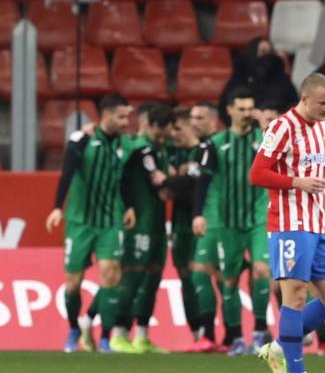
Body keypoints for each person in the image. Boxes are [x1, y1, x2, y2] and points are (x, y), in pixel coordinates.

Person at [250, 74, 325, 373]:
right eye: (322, 103)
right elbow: (257, 174)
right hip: (289, 224)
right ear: (304, 99)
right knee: (296, 295)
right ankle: (295, 369)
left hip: (319, 223)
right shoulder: (282, 127)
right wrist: (296, 181)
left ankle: (277, 347)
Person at [50, 94, 137, 353]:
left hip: (111, 220)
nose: (125, 121)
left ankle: (104, 337)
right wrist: (57, 207)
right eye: (121, 116)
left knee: (111, 274)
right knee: (73, 282)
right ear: (107, 115)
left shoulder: (127, 144)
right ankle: (74, 327)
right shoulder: (82, 140)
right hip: (80, 221)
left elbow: (125, 178)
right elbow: (67, 172)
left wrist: (129, 204)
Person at [190, 89, 272, 355]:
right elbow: (203, 180)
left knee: (261, 270)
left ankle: (260, 331)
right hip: (227, 222)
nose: (247, 113)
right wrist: (198, 213)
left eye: (251, 108)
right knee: (229, 280)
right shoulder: (216, 144)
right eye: (242, 108)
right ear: (230, 110)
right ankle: (236, 337)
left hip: (259, 219)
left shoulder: (266, 140)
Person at [107, 103, 173, 354]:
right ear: (151, 126)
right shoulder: (139, 150)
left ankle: (142, 335)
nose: (163, 136)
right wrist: (128, 206)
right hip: (140, 223)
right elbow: (120, 179)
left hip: (157, 223)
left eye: (166, 131)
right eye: (160, 131)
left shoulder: (161, 150)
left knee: (153, 278)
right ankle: (118, 333)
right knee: (132, 277)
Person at [161, 106, 213, 347]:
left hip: (201, 221)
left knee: (201, 274)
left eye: (177, 128)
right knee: (185, 277)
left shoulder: (203, 151)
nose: (173, 134)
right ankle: (196, 332)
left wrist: (171, 180)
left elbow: (193, 182)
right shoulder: (168, 151)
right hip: (179, 223)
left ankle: (212, 330)